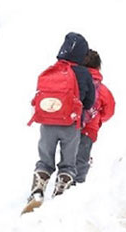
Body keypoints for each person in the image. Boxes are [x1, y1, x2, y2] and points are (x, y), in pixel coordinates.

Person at [24, 32, 95, 213]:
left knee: (45, 159)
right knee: (68, 163)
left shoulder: (51, 70)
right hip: (70, 125)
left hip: (47, 124)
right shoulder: (83, 73)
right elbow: (89, 102)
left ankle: (38, 190)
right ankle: (61, 193)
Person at [75, 50, 115, 185]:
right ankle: (78, 183)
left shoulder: (74, 82)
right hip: (89, 128)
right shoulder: (102, 89)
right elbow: (109, 111)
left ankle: (64, 178)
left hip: (71, 124)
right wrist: (97, 117)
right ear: (98, 68)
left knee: (68, 155)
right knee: (82, 156)